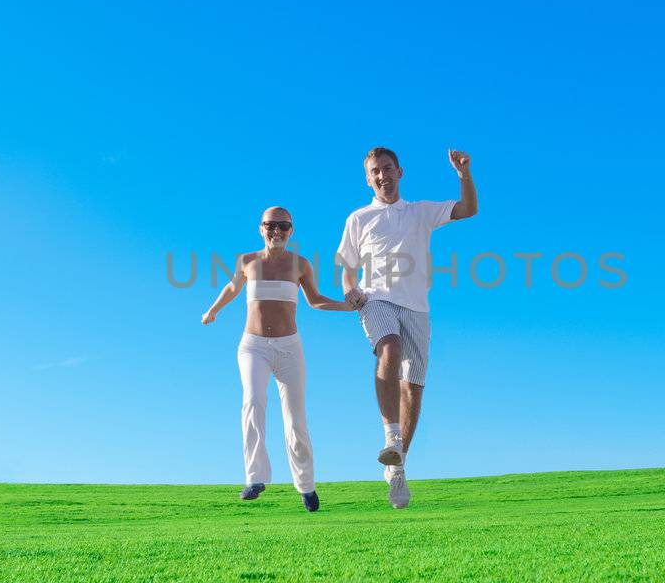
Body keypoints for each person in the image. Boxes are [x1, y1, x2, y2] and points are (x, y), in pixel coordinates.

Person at [338, 147, 478, 509]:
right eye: (375, 171)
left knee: (413, 389)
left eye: (387, 169)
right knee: (390, 349)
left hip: (417, 306)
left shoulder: (420, 212)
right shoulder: (358, 218)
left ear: (400, 172)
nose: (382, 175)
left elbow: (468, 210)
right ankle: (390, 434)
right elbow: (348, 267)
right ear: (368, 179)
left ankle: (398, 466)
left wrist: (464, 175)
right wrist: (350, 290)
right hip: (376, 299)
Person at [202, 206, 354, 511]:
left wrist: (347, 306)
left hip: (289, 348)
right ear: (261, 228)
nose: (277, 231)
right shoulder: (247, 261)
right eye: (271, 225)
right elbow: (233, 287)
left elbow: (315, 300)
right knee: (254, 401)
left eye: (283, 226)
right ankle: (255, 478)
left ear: (291, 231)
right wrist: (213, 310)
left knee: (295, 419)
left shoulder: (300, 265)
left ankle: (306, 486)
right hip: (253, 346)